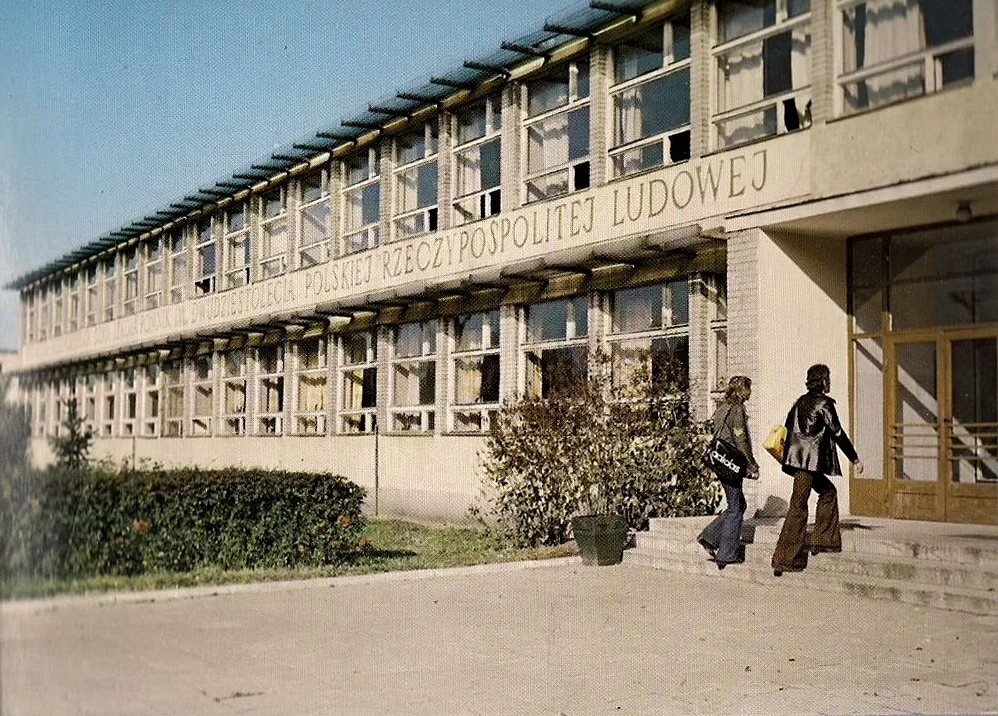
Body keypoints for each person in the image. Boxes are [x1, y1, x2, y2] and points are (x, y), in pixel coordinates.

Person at [772, 364, 864, 576]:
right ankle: (784, 559)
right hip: (807, 464)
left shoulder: (799, 402)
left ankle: (823, 541)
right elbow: (837, 433)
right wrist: (854, 458)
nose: (829, 382)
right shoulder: (824, 404)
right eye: (828, 378)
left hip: (799, 462)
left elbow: (788, 426)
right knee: (798, 506)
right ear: (822, 381)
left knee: (828, 492)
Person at [698, 376, 759, 569]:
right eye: (748, 389)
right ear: (741, 390)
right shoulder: (737, 410)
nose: (750, 393)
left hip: (720, 462)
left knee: (739, 504)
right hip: (731, 463)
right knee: (735, 507)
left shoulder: (722, 408)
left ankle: (709, 537)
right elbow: (739, 439)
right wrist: (751, 463)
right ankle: (726, 554)